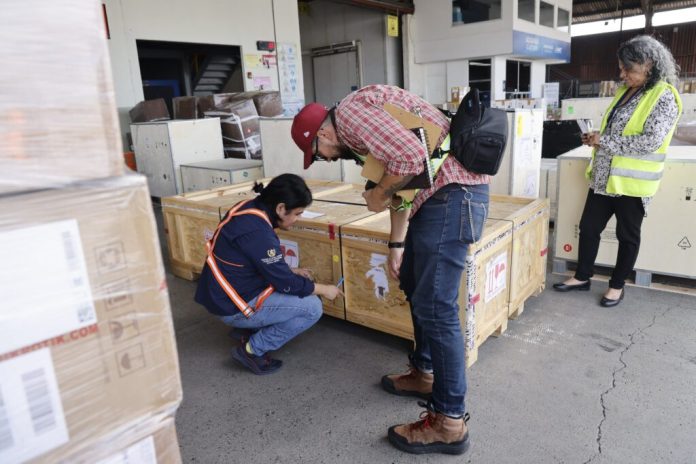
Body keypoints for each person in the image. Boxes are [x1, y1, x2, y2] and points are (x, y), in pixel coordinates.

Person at [291, 85, 489, 455]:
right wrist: (397, 244)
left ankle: (449, 422)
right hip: (437, 201)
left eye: (317, 153)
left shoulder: (351, 115)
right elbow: (404, 184)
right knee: (416, 287)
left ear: (323, 133)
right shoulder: (360, 133)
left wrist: (378, 195)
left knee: (438, 309)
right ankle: (425, 373)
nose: (324, 159)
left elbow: (409, 160)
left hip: (452, 197)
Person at [553, 35, 682, 307]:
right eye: (622, 68)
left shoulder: (664, 96)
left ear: (649, 65)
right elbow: (616, 131)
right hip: (604, 177)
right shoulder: (625, 91)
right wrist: (596, 138)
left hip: (632, 184)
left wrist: (605, 141)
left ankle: (617, 286)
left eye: (628, 69)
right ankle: (582, 276)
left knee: (627, 235)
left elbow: (650, 141)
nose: (622, 74)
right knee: (588, 228)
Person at [195, 174, 343, 375]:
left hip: (220, 293)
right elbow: (286, 284)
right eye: (298, 214)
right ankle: (252, 349)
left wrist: (288, 270)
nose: (298, 220)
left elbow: (250, 258)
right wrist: (325, 289)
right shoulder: (258, 232)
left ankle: (248, 328)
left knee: (298, 282)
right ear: (281, 208)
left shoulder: (247, 208)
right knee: (312, 307)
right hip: (232, 305)